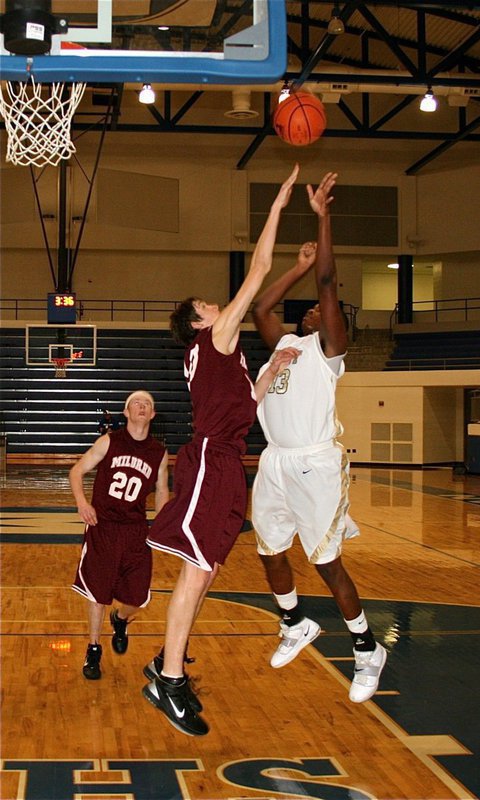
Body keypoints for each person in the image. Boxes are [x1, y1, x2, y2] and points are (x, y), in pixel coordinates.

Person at [143, 165, 302, 737]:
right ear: (198, 322)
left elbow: (247, 406)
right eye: (209, 304)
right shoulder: (215, 338)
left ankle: (168, 661)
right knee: (195, 574)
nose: (218, 304)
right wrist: (279, 203)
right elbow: (258, 270)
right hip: (213, 461)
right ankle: (169, 679)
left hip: (225, 458)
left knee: (204, 574)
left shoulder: (222, 356)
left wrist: (270, 371)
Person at [252, 170, 387, 704]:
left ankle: (366, 649)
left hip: (314, 462)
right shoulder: (286, 342)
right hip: (275, 462)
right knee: (269, 551)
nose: (313, 308)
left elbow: (329, 285)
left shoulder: (329, 351)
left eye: (319, 309)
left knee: (326, 562)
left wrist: (322, 218)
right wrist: (298, 265)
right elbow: (262, 308)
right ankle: (295, 623)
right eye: (309, 309)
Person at [71, 390, 169, 681]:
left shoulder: (159, 452)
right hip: (104, 526)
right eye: (136, 403)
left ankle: (121, 618)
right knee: (98, 593)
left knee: (138, 597)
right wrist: (82, 503)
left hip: (136, 530)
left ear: (152, 415)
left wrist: (161, 522)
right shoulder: (109, 441)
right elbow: (76, 471)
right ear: (126, 412)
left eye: (148, 404)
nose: (142, 406)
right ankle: (93, 648)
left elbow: (162, 489)